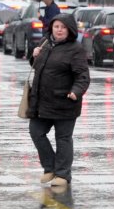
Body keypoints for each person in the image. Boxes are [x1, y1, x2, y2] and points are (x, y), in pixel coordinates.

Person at [28, 13, 90, 187]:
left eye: (63, 27)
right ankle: (50, 168)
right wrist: (34, 56)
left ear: (69, 30)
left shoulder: (75, 49)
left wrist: (76, 92)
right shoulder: (45, 43)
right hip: (42, 101)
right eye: (56, 26)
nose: (59, 30)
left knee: (63, 138)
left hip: (65, 102)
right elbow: (36, 66)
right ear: (51, 28)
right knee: (36, 132)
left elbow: (83, 76)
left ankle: (63, 174)